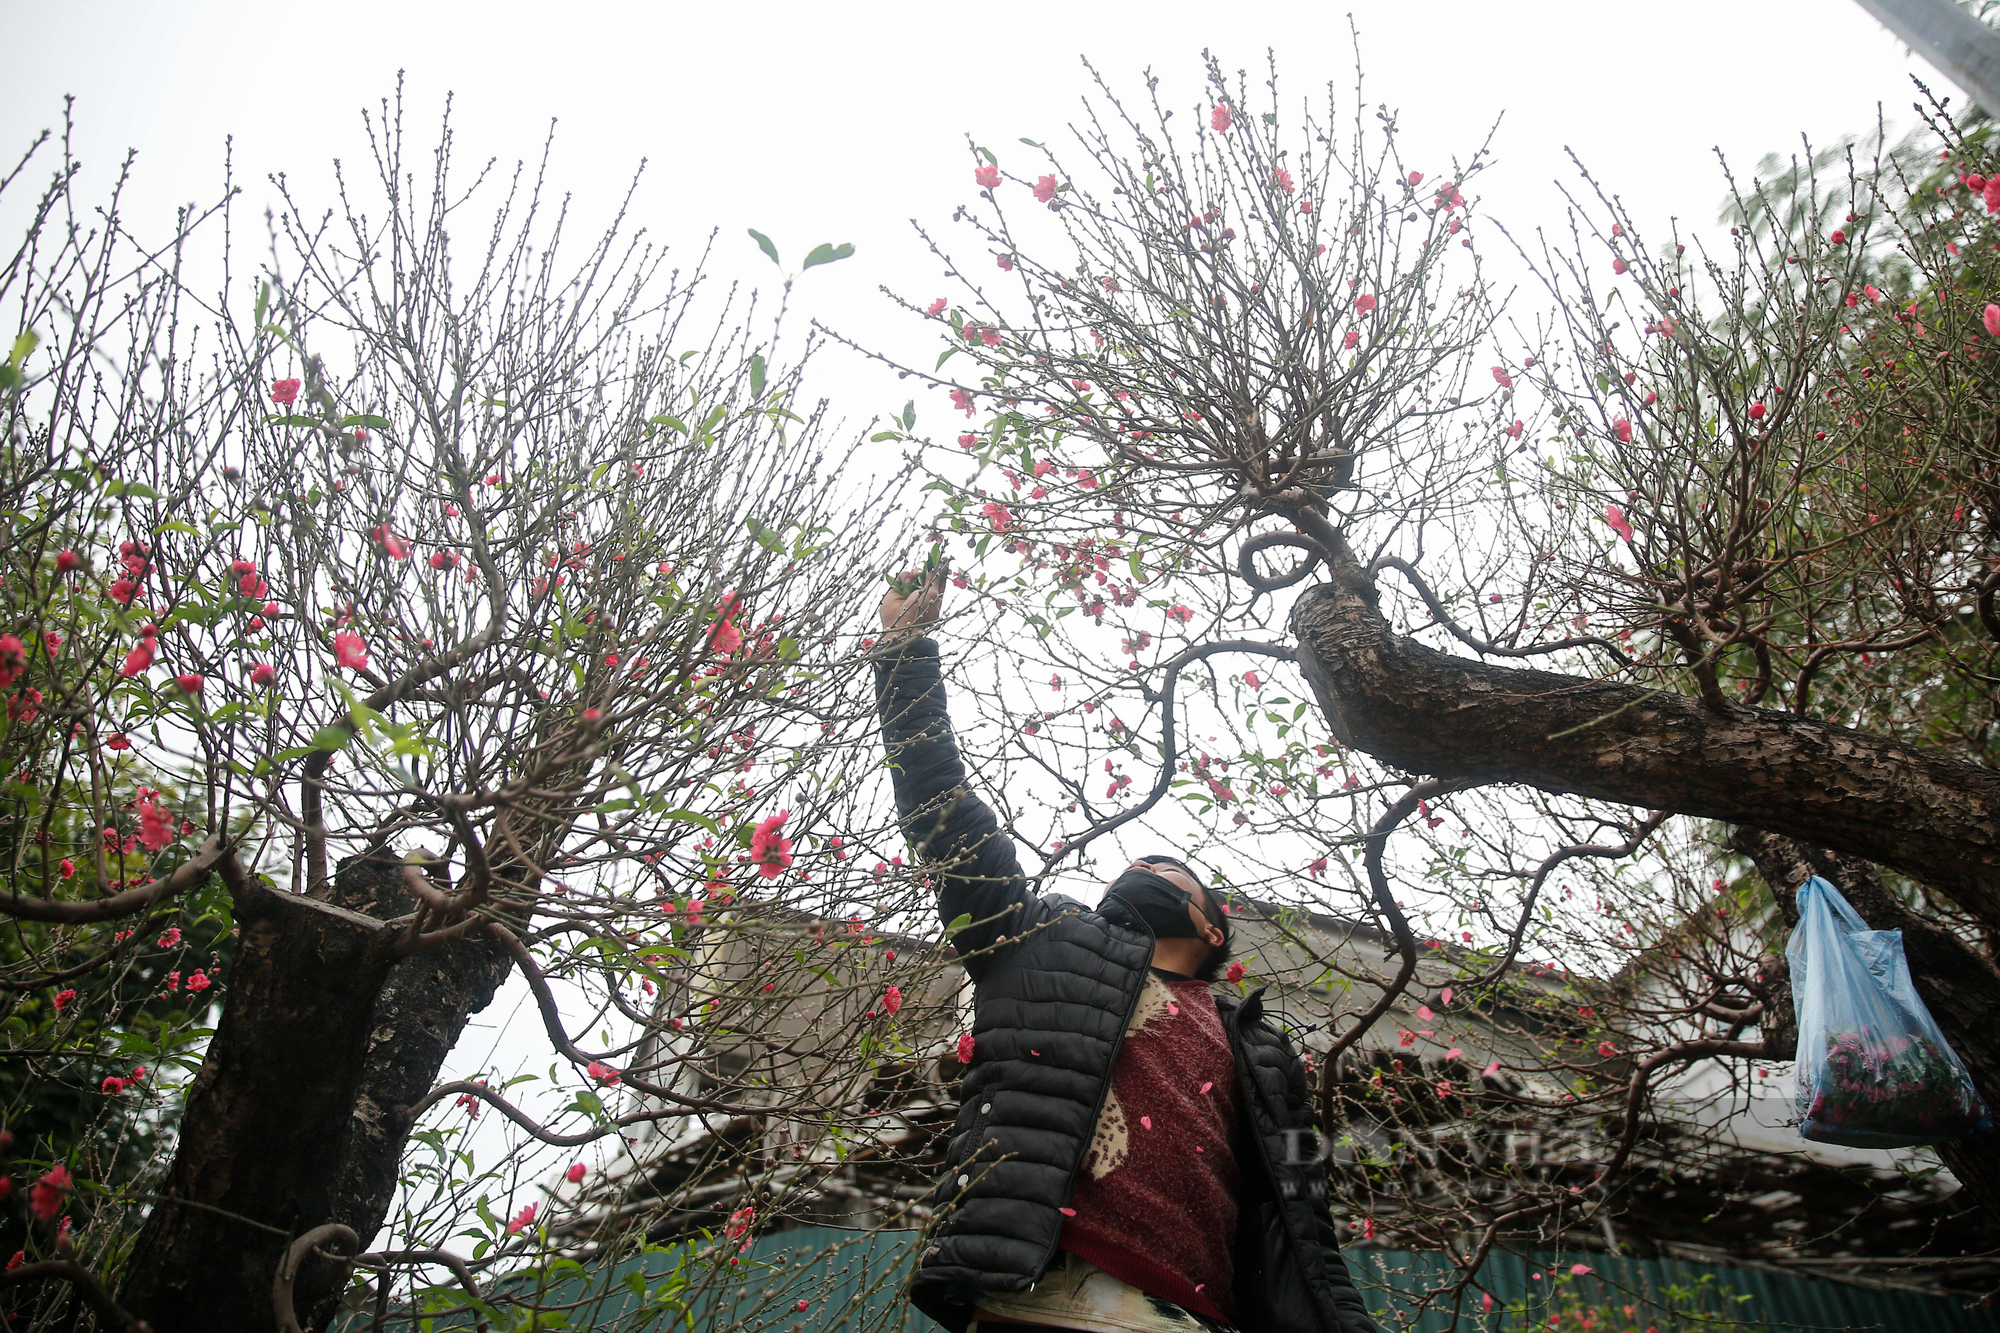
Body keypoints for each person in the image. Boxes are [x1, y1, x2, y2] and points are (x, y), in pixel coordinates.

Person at [870, 567, 1380, 1333]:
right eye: (1133, 865)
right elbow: (943, 810)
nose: (1140, 865)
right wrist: (905, 650)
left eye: (1168, 867)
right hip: (1044, 1298)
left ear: (1213, 929)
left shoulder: (1268, 1054)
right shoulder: (1042, 942)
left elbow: (1306, 1233)